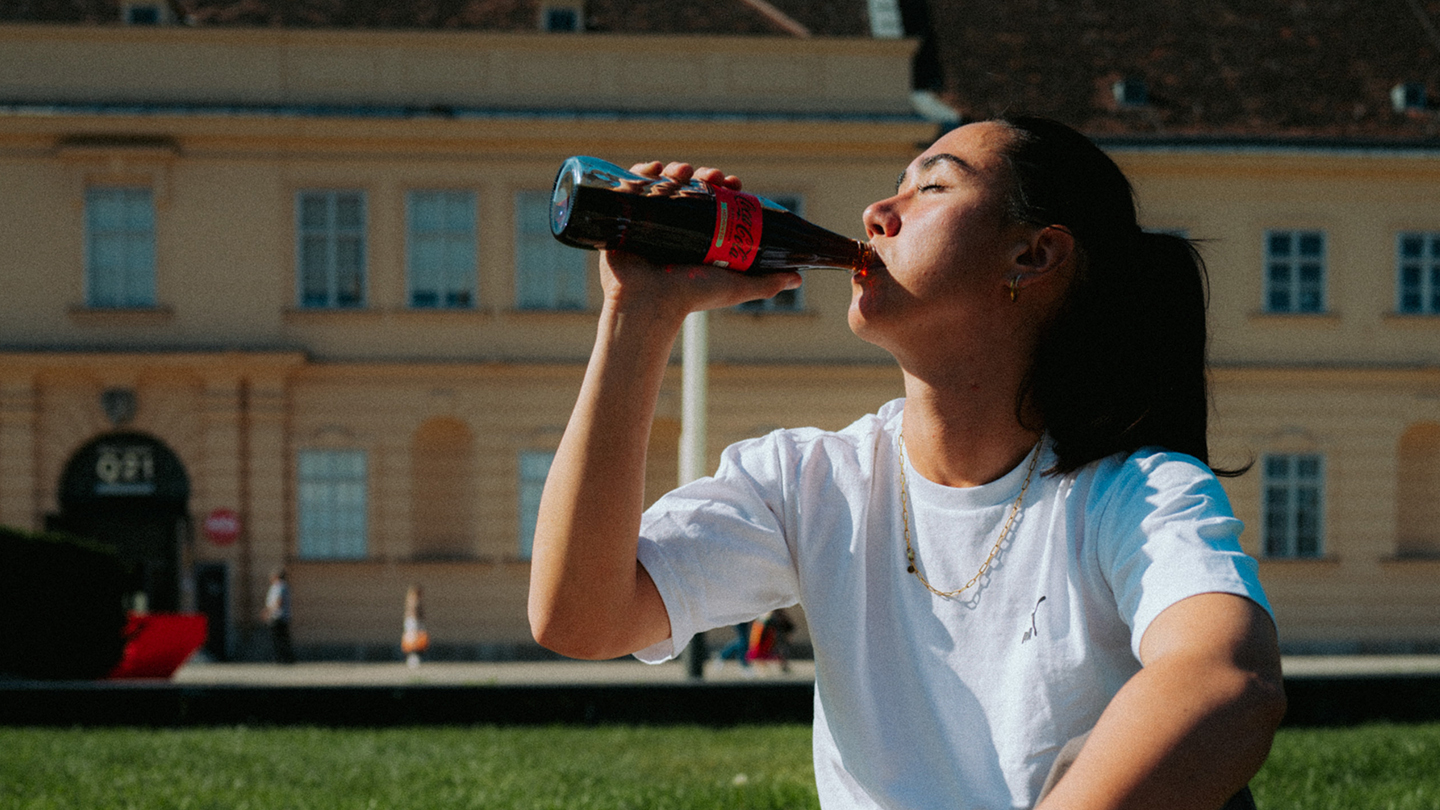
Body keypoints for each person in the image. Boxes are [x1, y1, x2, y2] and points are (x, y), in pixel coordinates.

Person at [528, 116, 1285, 810]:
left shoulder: (1131, 493)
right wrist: (637, 313)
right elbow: (580, 619)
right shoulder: (809, 482)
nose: (876, 214)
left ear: (1033, 253)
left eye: (932, 185)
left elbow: (1227, 680)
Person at [262, 568, 293, 664]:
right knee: (282, 639)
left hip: (278, 616)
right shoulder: (279, 586)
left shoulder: (280, 586)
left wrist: (268, 612)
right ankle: (284, 658)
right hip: (280, 616)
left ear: (276, 576)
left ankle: (281, 658)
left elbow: (278, 602)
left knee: (278, 639)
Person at [401, 584, 429, 668]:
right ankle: (412, 660)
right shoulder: (413, 601)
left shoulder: (412, 601)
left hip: (414, 622)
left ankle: (414, 659)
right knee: (414, 642)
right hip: (414, 622)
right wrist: (417, 624)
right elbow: (414, 613)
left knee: (417, 642)